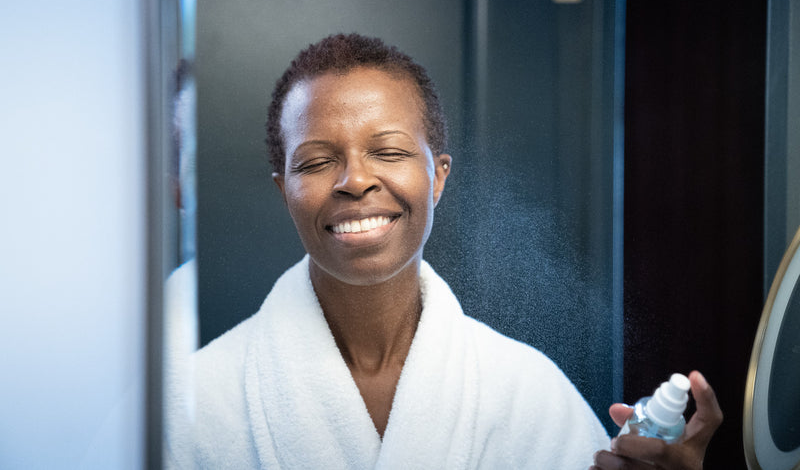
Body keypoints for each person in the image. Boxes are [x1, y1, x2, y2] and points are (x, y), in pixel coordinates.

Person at [165, 33, 722, 469]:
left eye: (388, 151)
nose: (356, 180)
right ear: (283, 191)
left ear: (438, 178)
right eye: (314, 162)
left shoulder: (528, 396)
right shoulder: (196, 406)